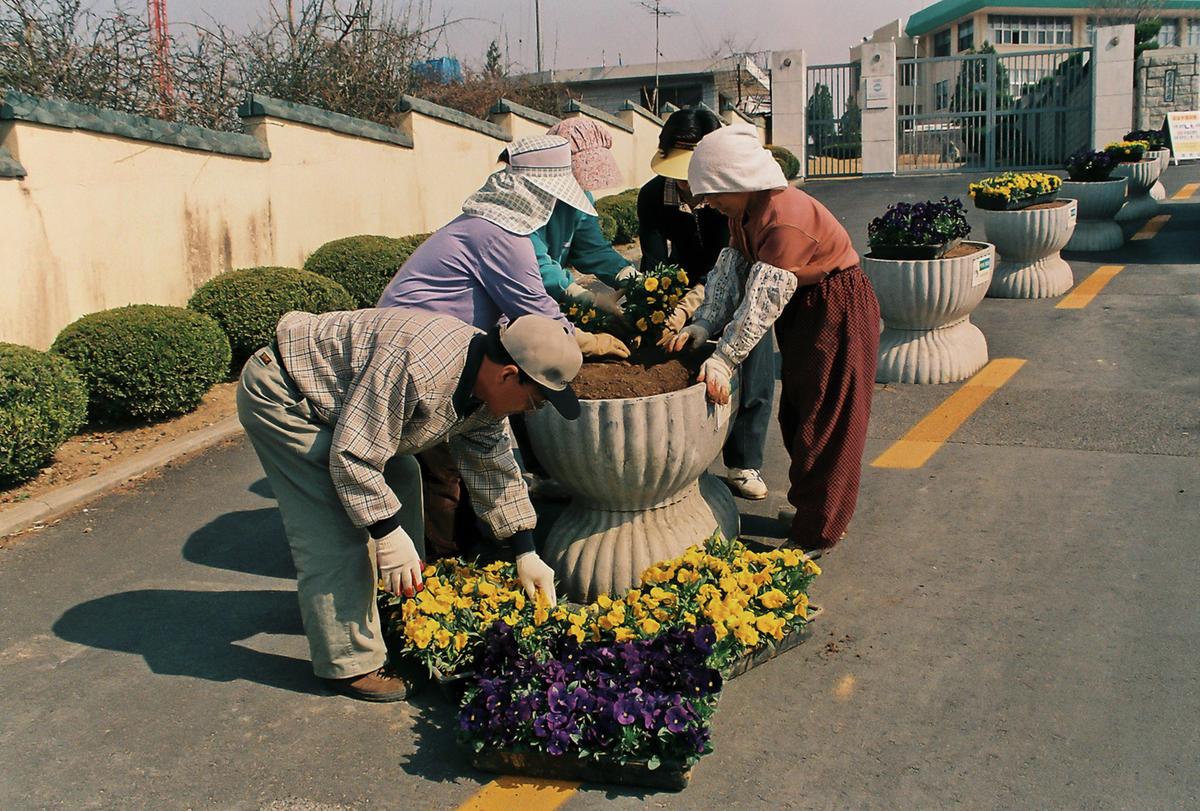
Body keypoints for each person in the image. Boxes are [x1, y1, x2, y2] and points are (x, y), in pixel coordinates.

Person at [237, 309, 581, 702]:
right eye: (536, 401)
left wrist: (526, 550)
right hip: (289, 393)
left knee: (402, 478)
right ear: (508, 375)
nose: (532, 411)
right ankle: (350, 663)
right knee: (335, 531)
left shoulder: (484, 385)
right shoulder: (419, 366)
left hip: (343, 401)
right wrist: (384, 533)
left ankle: (395, 613)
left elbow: (494, 465)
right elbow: (353, 455)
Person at [377, 135, 625, 559]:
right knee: (444, 468)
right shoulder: (497, 235)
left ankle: (471, 550)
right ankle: (440, 565)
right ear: (536, 193)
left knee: (472, 453)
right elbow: (537, 312)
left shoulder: (491, 227)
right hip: (418, 356)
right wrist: (587, 341)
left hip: (445, 346)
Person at [670, 124, 880, 556]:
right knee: (800, 412)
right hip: (806, 309)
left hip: (835, 308)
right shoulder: (742, 211)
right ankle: (811, 511)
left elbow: (762, 301)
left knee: (828, 417)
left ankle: (821, 530)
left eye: (712, 193)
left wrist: (725, 358)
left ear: (737, 180)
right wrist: (704, 324)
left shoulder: (784, 217)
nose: (708, 203)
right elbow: (732, 271)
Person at [641, 108, 775, 502]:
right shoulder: (653, 196)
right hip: (685, 281)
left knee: (753, 359)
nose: (685, 181)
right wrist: (661, 304)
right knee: (678, 358)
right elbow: (654, 261)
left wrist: (695, 307)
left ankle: (743, 462)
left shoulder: (733, 196)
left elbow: (728, 262)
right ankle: (681, 455)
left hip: (742, 275)